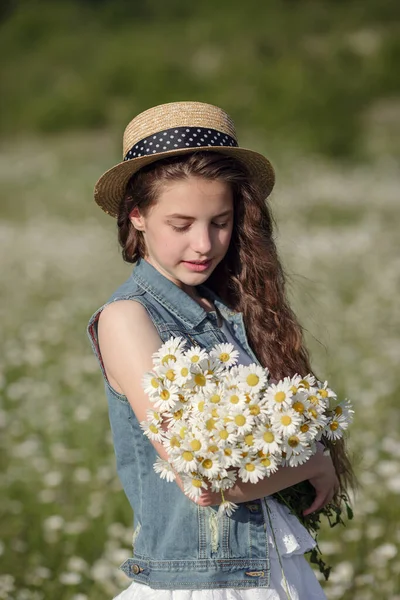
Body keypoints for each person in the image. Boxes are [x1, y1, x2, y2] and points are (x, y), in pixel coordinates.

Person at [87, 101, 354, 599]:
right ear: (138, 215)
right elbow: (202, 480)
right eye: (181, 224)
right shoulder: (128, 319)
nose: (205, 244)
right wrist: (314, 462)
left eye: (221, 221)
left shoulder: (226, 307)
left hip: (271, 569)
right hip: (204, 583)